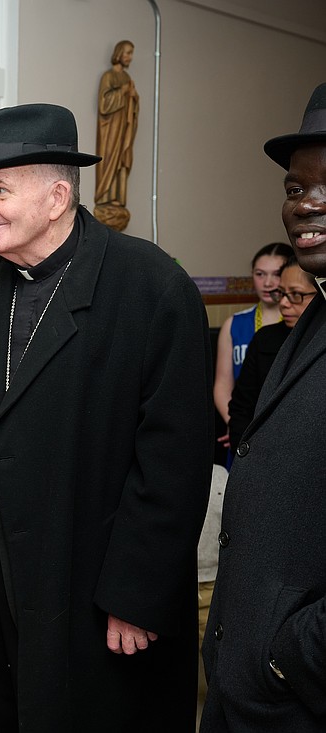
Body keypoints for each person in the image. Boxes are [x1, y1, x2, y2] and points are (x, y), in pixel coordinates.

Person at [0, 103, 212, 732]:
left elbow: (174, 460)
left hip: (86, 562)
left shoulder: (151, 286)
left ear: (56, 195)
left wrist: (138, 593)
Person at [202, 82, 326, 732]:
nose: (307, 202)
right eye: (294, 186)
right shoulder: (303, 324)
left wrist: (292, 654)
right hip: (240, 676)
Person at [226, 257, 317, 449]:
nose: (284, 303)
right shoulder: (265, 339)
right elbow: (241, 406)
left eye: (296, 295)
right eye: (282, 293)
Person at [213, 242, 292, 450]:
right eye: (260, 274)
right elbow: (222, 384)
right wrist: (235, 425)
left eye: (276, 274)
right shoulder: (234, 324)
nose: (267, 283)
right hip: (242, 428)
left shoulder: (296, 325)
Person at [94, 40, 139, 231]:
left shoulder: (127, 78)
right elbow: (104, 104)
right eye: (127, 53)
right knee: (110, 159)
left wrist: (133, 98)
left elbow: (134, 105)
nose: (129, 57)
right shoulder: (109, 76)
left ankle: (118, 199)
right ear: (119, 53)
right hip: (110, 129)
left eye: (131, 54)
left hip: (124, 129)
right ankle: (106, 197)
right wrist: (122, 92)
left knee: (121, 160)